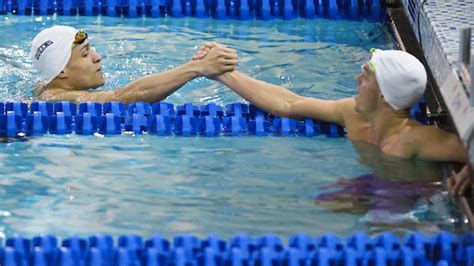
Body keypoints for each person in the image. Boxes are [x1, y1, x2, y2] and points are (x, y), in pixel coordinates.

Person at [195, 43, 467, 163]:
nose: (357, 78)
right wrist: (225, 74)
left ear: (384, 94)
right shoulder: (353, 114)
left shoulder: (418, 139)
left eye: (367, 76)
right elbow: (290, 103)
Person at [30, 26, 237, 103]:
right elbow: (125, 97)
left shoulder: (46, 84)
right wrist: (195, 68)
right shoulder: (61, 99)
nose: (97, 57)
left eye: (91, 49)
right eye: (85, 54)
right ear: (62, 71)